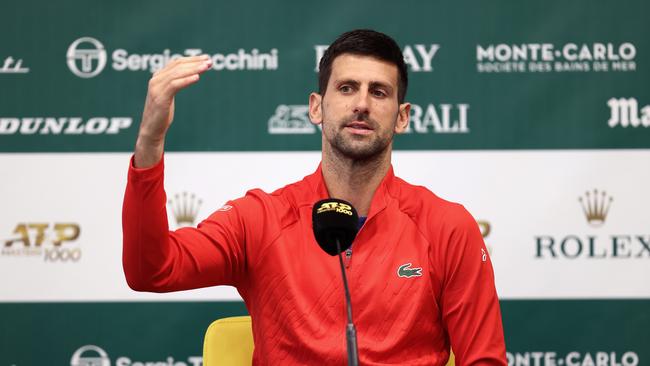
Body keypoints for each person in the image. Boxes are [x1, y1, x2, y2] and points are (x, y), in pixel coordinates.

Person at [122, 29, 506, 365]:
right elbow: (151, 271)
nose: (362, 103)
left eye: (379, 91)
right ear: (316, 108)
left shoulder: (446, 227)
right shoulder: (261, 219)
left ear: (402, 117)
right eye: (346, 88)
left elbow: (485, 360)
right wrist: (150, 142)